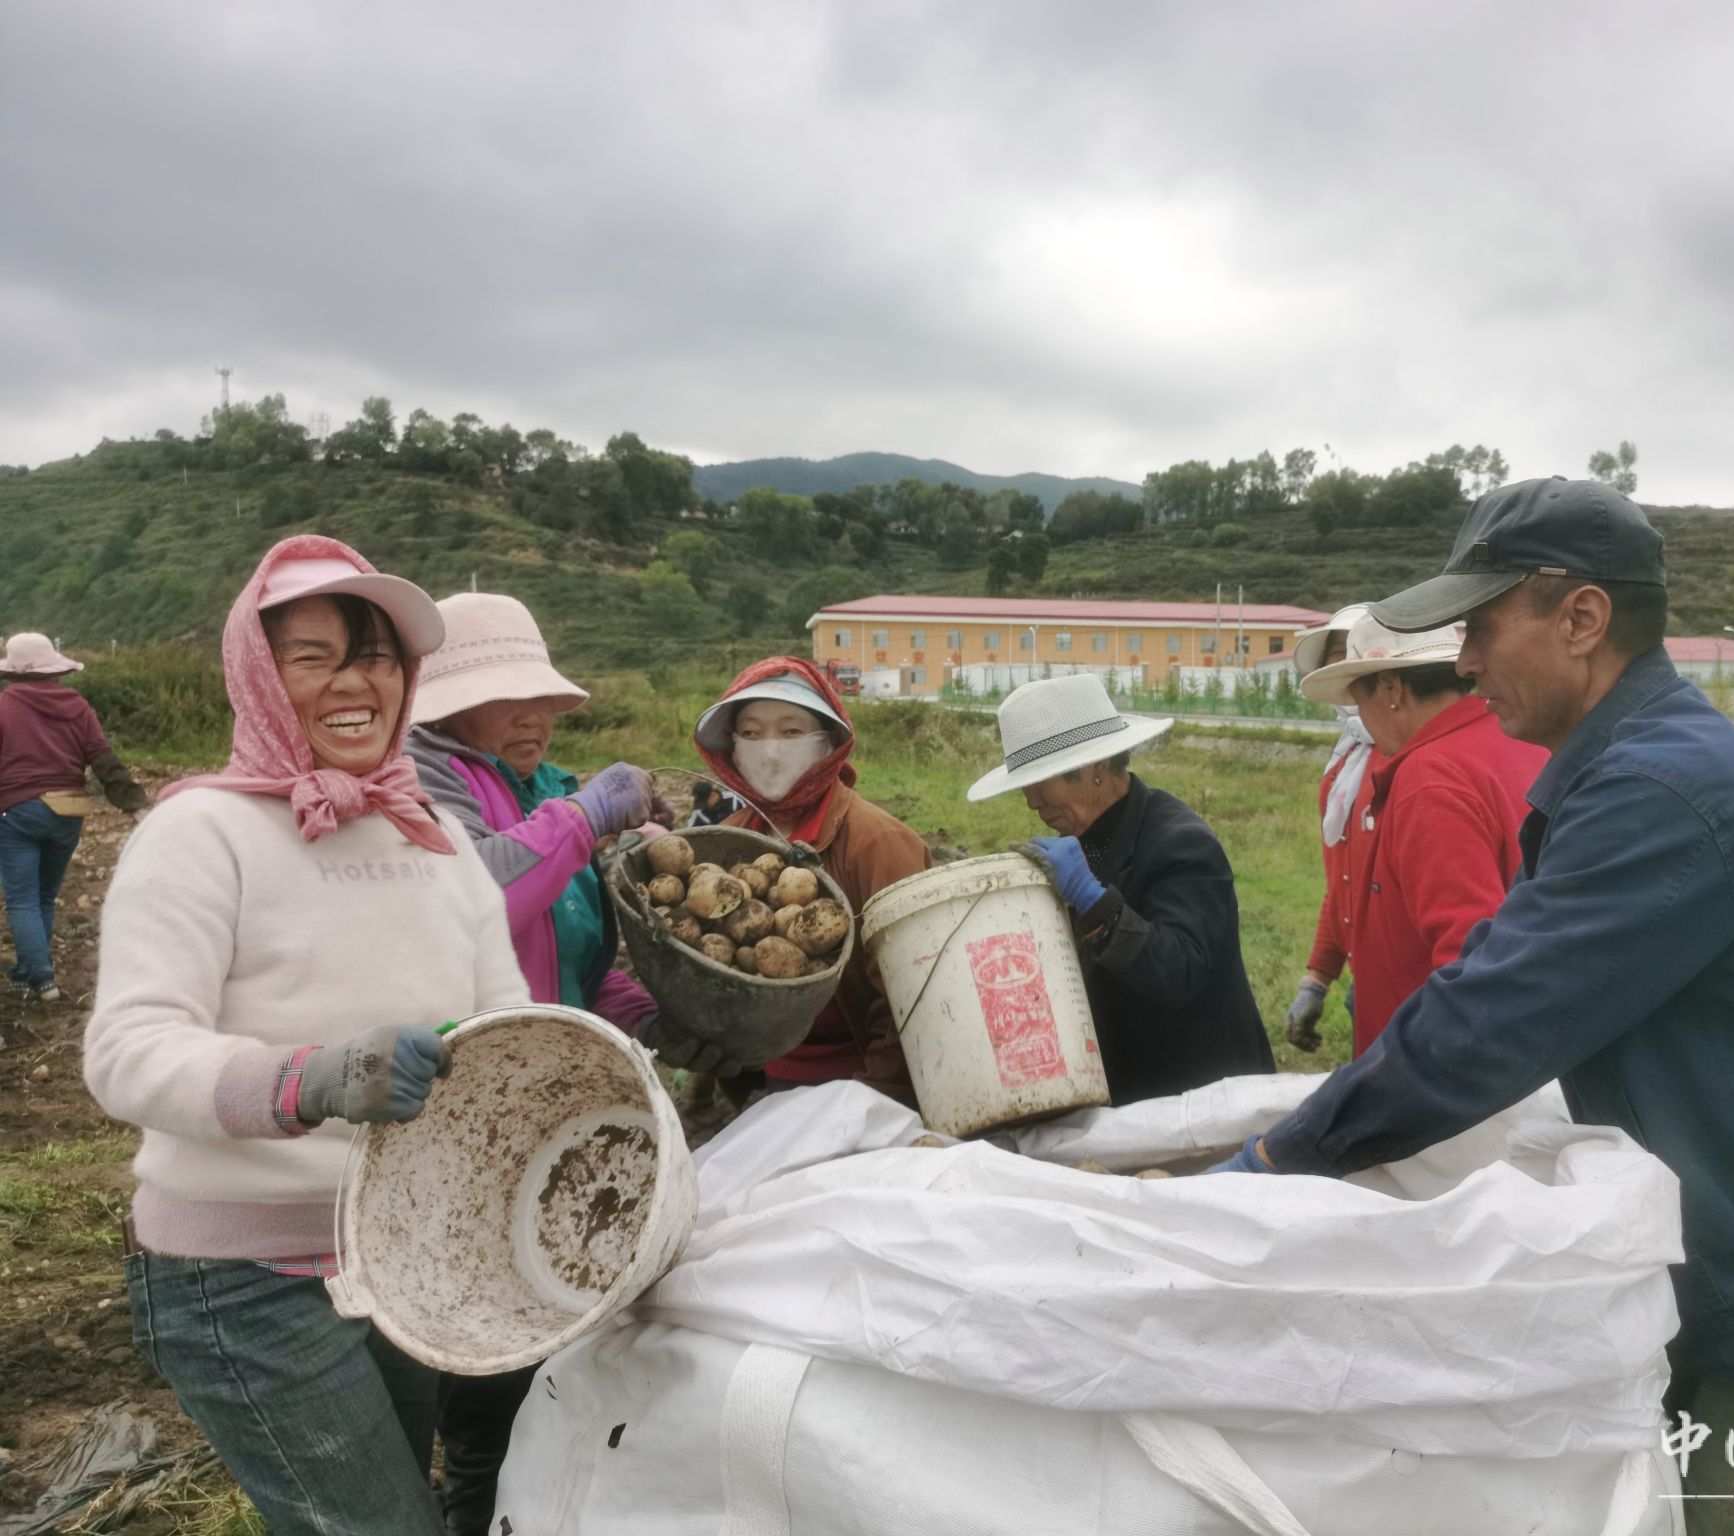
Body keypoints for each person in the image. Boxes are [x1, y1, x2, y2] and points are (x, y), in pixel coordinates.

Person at [1214, 479, 1734, 1532]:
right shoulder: (1640, 766)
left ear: (1580, 618)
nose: (1464, 663)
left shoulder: (1658, 792)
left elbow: (1486, 1020)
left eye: (1480, 628)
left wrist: (1274, 1161)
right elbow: (1508, 976)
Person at [83, 536, 530, 1536]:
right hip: (241, 1276)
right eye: (313, 657)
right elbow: (126, 1050)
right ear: (258, 673)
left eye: (376, 657)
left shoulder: (437, 836)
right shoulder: (201, 832)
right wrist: (310, 1080)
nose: (354, 683)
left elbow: (502, 1030)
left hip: (400, 1249)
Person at [402, 591, 670, 1536]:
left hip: (557, 1103)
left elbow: (576, 961)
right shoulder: (416, 786)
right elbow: (477, 898)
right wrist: (581, 818)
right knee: (489, 1369)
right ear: (444, 706)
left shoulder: (537, 785)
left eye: (541, 699)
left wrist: (647, 1017)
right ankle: (473, 1511)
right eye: (504, 699)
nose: (533, 717)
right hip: (470, 1105)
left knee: (565, 1338)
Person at [968, 673, 1274, 1103]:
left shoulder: (1182, 844)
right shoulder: (1084, 840)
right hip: (1124, 1088)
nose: (1032, 801)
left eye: (1041, 782)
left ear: (1095, 768)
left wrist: (1094, 904)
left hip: (1201, 1094)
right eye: (1025, 786)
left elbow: (1180, 971)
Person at [1291, 610, 1545, 1056]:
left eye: (1359, 698)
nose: (1362, 717)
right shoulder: (1515, 740)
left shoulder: (1428, 776)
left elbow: (1468, 955)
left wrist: (1421, 1072)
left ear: (1391, 688)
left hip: (1424, 1045)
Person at [689, 657, 931, 1103]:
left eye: (791, 731)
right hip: (760, 1080)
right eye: (751, 733)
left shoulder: (879, 842)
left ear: (828, 744)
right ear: (732, 747)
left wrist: (868, 1102)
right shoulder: (726, 843)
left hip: (858, 1084)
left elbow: (913, 998)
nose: (771, 750)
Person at [0, 633, 147, 1002]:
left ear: (13, 671)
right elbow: (103, 758)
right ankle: (28, 975)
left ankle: (41, 977)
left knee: (22, 900)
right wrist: (134, 805)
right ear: (54, 669)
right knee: (45, 896)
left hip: (17, 812)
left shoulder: (4, 707)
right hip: (67, 812)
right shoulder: (78, 707)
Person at [1280, 605, 1370, 1053]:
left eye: (1358, 652)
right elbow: (1344, 883)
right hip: (1368, 983)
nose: (1346, 666)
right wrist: (1318, 977)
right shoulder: (1345, 761)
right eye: (1337, 655)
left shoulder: (1412, 759)